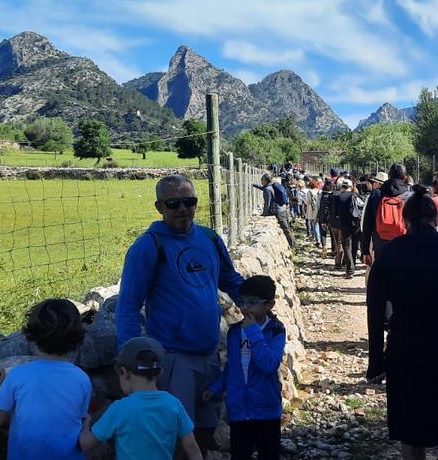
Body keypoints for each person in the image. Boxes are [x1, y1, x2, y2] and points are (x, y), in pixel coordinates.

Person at [117, 174, 247, 455]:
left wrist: (256, 302)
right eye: (173, 203)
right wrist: (129, 359)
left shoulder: (210, 238)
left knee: (205, 428)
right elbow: (128, 306)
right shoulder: (148, 246)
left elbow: (230, 280)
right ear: (159, 207)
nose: (182, 209)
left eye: (189, 201)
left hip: (209, 354)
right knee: (176, 436)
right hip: (173, 359)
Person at [367, 185, 438, 460]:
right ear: (436, 218)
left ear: (404, 220)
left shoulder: (390, 254)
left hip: (407, 350)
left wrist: (376, 361)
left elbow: (374, 310)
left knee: (412, 434)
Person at [0, 299, 93, 459]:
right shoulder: (81, 379)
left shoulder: (17, 375)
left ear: (32, 336)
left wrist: (1, 389)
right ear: (77, 336)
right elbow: (79, 418)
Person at [205, 275, 287, 460]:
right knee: (240, 454)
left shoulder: (275, 330)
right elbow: (232, 367)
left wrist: (253, 332)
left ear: (269, 305)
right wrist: (216, 388)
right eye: (242, 301)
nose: (245, 307)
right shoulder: (234, 332)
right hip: (239, 410)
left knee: (269, 454)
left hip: (266, 409)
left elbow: (269, 364)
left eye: (253, 302)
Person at [80, 337, 202, 460]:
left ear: (124, 372)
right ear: (159, 373)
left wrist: (85, 424)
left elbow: (86, 444)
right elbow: (191, 447)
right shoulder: (173, 404)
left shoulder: (120, 409)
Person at [362, 164, 413, 263]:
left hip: (381, 244)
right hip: (405, 245)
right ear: (404, 177)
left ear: (389, 176)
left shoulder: (376, 194)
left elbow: (367, 224)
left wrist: (365, 251)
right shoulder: (411, 197)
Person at [331, 178, 363, 277]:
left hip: (344, 224)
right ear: (350, 187)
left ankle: (350, 269)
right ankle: (353, 264)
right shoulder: (355, 195)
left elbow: (335, 213)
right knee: (354, 245)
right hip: (356, 223)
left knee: (346, 246)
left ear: (342, 187)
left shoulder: (338, 197)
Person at [256, 173, 296, 249]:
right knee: (288, 227)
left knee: (286, 229)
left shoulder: (267, 189)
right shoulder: (271, 186)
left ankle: (293, 245)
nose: (261, 181)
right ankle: (293, 243)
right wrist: (253, 185)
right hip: (282, 208)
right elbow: (262, 187)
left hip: (278, 211)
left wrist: (264, 214)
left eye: (262, 180)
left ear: (265, 180)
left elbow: (267, 203)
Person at [301, 178, 323, 254]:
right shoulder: (321, 192)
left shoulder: (309, 192)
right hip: (320, 210)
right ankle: (321, 239)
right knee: (320, 224)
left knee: (315, 224)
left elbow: (307, 202)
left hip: (313, 210)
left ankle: (318, 240)